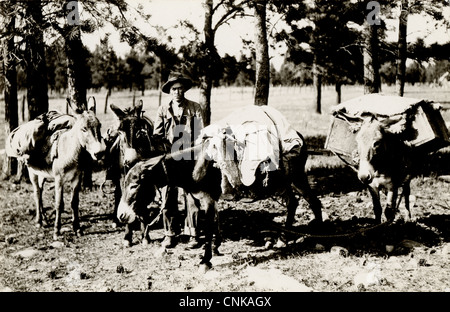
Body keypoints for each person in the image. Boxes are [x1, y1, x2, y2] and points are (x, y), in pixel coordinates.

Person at [154, 73, 204, 249]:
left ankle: (194, 234)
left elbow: (200, 134)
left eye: (180, 88)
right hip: (169, 158)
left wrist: (191, 149)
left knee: (192, 196)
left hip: (189, 155)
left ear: (184, 89)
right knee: (167, 195)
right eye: (174, 89)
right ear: (170, 91)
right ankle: (170, 233)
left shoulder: (195, 108)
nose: (177, 92)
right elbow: (157, 136)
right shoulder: (162, 110)